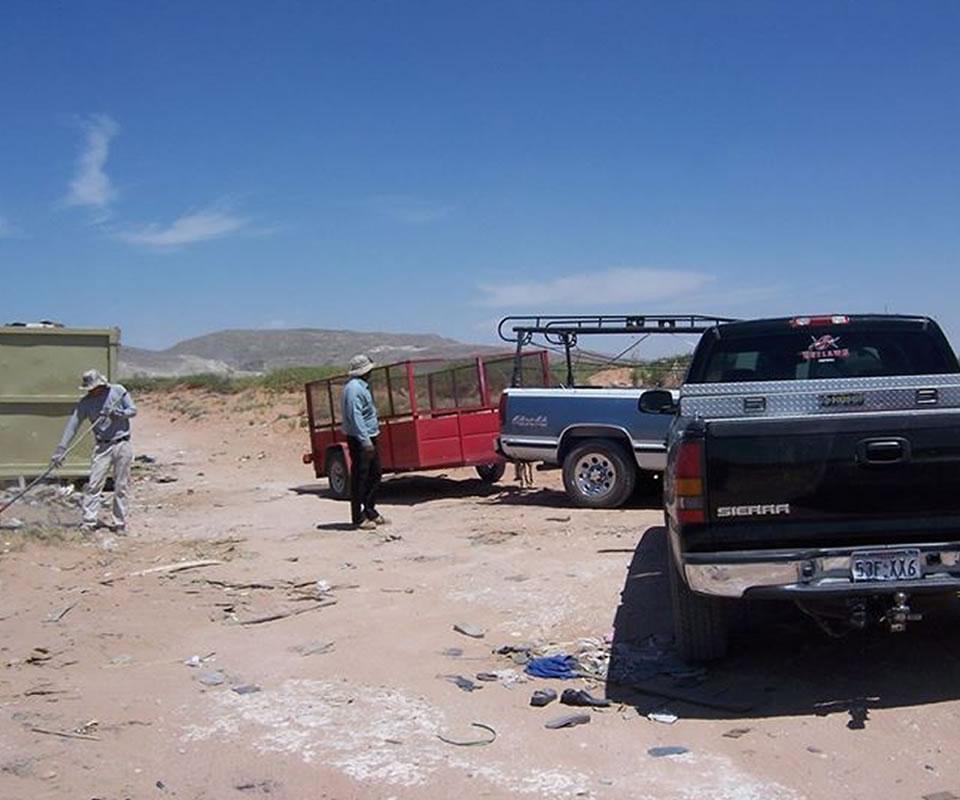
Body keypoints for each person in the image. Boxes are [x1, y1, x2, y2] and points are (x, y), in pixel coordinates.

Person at [51, 370, 137, 533]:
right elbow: (73, 425)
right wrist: (61, 449)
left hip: (122, 443)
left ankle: (119, 523)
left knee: (121, 485)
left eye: (94, 388)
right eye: (89, 389)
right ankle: (89, 521)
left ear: (101, 384)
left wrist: (119, 414)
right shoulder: (86, 403)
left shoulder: (118, 391)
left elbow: (133, 410)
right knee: (94, 484)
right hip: (102, 447)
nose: (92, 391)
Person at [341, 354, 388, 530]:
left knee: (375, 473)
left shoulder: (362, 387)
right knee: (360, 477)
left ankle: (370, 510)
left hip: (369, 435)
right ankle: (358, 516)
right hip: (360, 438)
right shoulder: (354, 389)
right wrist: (365, 441)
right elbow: (356, 416)